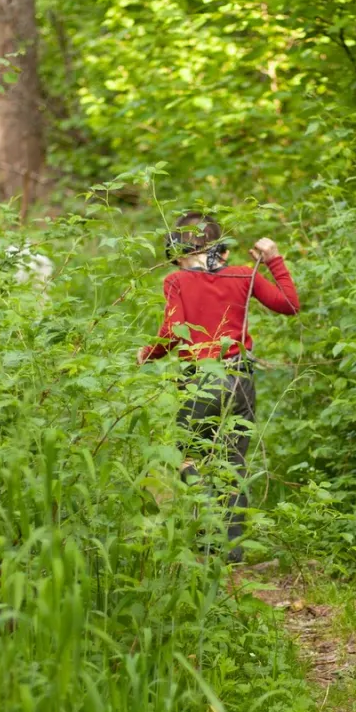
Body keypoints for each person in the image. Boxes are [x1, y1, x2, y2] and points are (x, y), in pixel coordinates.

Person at [137, 212, 300, 562]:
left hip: (199, 379)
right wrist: (273, 261)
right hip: (240, 379)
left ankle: (207, 529)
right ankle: (231, 551)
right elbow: (288, 305)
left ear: (179, 251)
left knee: (185, 455)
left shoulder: (177, 280)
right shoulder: (243, 274)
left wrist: (146, 355)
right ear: (219, 249)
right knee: (233, 462)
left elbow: (171, 332)